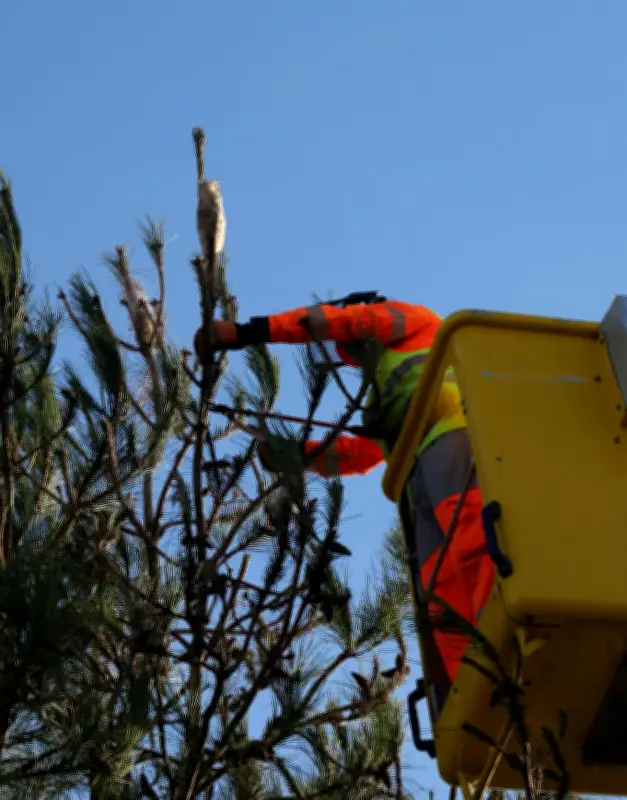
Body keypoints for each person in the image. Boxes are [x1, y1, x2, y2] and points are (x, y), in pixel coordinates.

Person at [194, 292, 495, 694]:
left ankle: (504, 635)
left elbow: (349, 321)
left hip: (452, 440)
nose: (348, 352)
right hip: (415, 477)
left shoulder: (412, 319)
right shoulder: (379, 397)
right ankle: (477, 686)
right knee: (441, 586)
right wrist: (297, 456)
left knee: (471, 543)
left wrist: (250, 332)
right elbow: (361, 455)